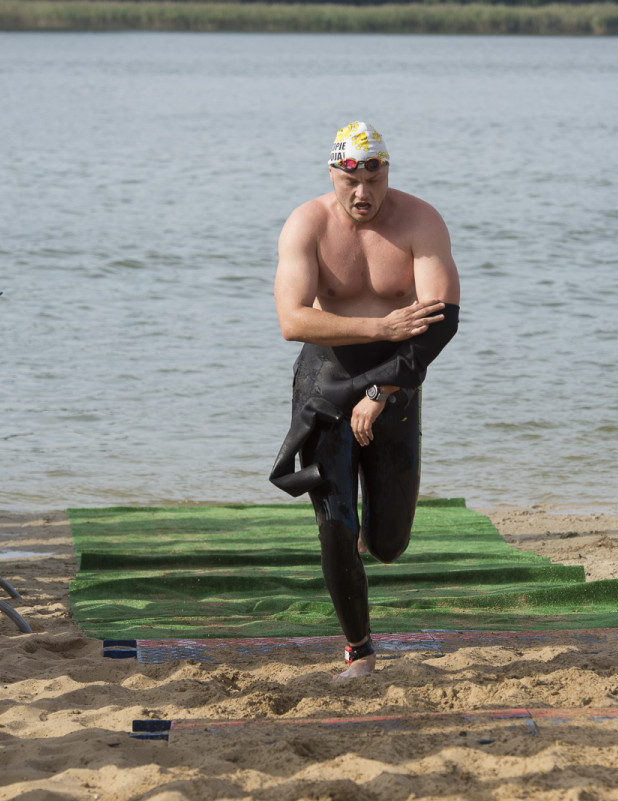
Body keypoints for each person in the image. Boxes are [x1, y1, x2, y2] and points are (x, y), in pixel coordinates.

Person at [271, 122, 461, 680]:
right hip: (324, 386)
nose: (362, 193)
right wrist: (381, 329)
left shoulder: (419, 221)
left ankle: (364, 532)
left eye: (372, 177)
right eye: (349, 180)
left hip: (395, 385)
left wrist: (381, 389)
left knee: (388, 543)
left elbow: (441, 322)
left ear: (386, 172)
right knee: (334, 522)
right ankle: (359, 649)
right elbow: (292, 320)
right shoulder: (307, 224)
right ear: (332, 176)